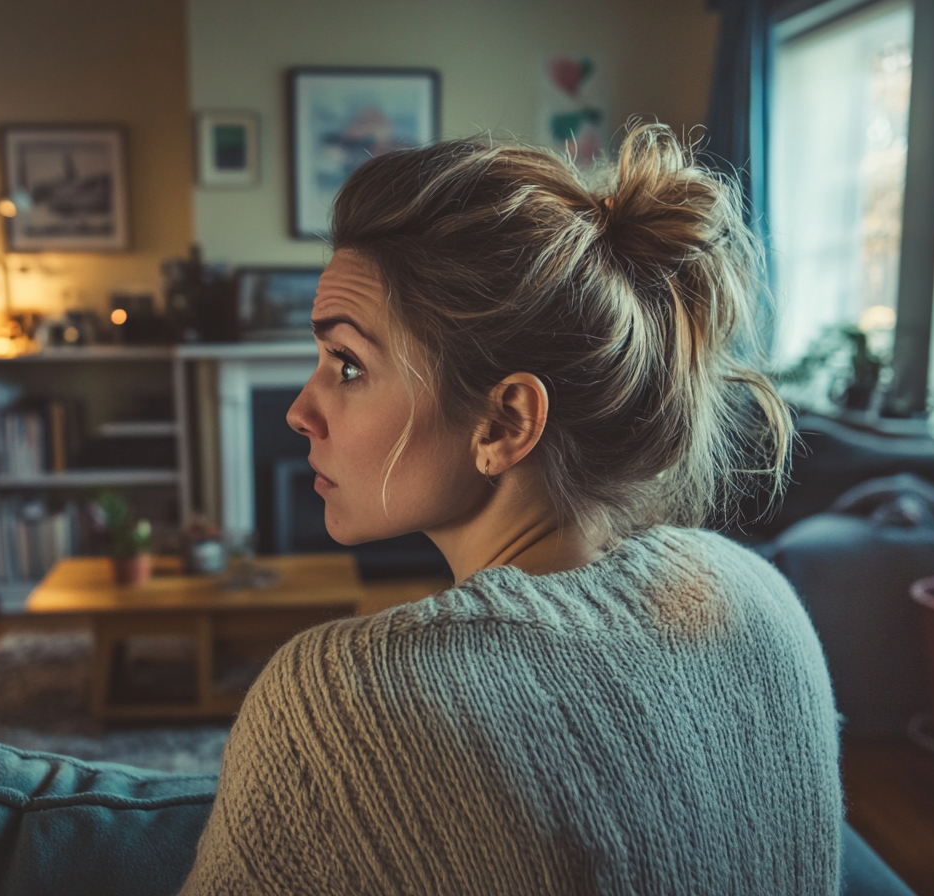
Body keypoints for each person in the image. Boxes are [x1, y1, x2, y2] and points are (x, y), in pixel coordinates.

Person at [181, 123, 841, 895]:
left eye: (349, 365)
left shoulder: (338, 707)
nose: (300, 411)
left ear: (504, 424)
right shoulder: (759, 597)